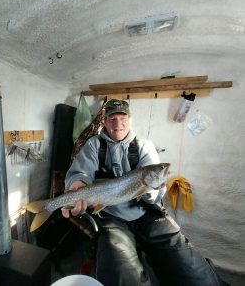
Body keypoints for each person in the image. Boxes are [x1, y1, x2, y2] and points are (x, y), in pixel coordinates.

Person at [62, 99, 227, 286]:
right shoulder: (94, 145)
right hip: (111, 217)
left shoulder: (144, 145)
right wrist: (77, 184)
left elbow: (153, 193)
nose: (117, 123)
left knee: (193, 271)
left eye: (122, 117)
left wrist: (153, 189)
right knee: (121, 274)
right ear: (105, 122)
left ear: (130, 119)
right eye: (112, 118)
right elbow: (81, 172)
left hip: (147, 213)